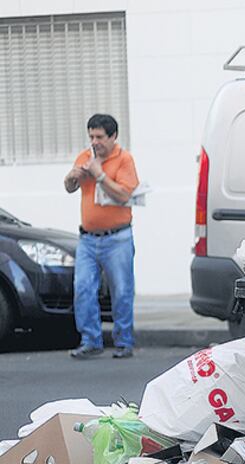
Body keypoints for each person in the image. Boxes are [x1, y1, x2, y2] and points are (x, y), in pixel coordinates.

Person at [63, 114, 139, 359]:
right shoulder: (85, 158)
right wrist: (72, 177)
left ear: (113, 136)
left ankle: (124, 341)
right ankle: (90, 340)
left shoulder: (124, 159)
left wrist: (100, 175)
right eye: (91, 137)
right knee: (83, 287)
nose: (94, 142)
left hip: (117, 238)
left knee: (122, 290)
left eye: (99, 137)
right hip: (87, 238)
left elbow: (124, 195)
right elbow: (69, 187)